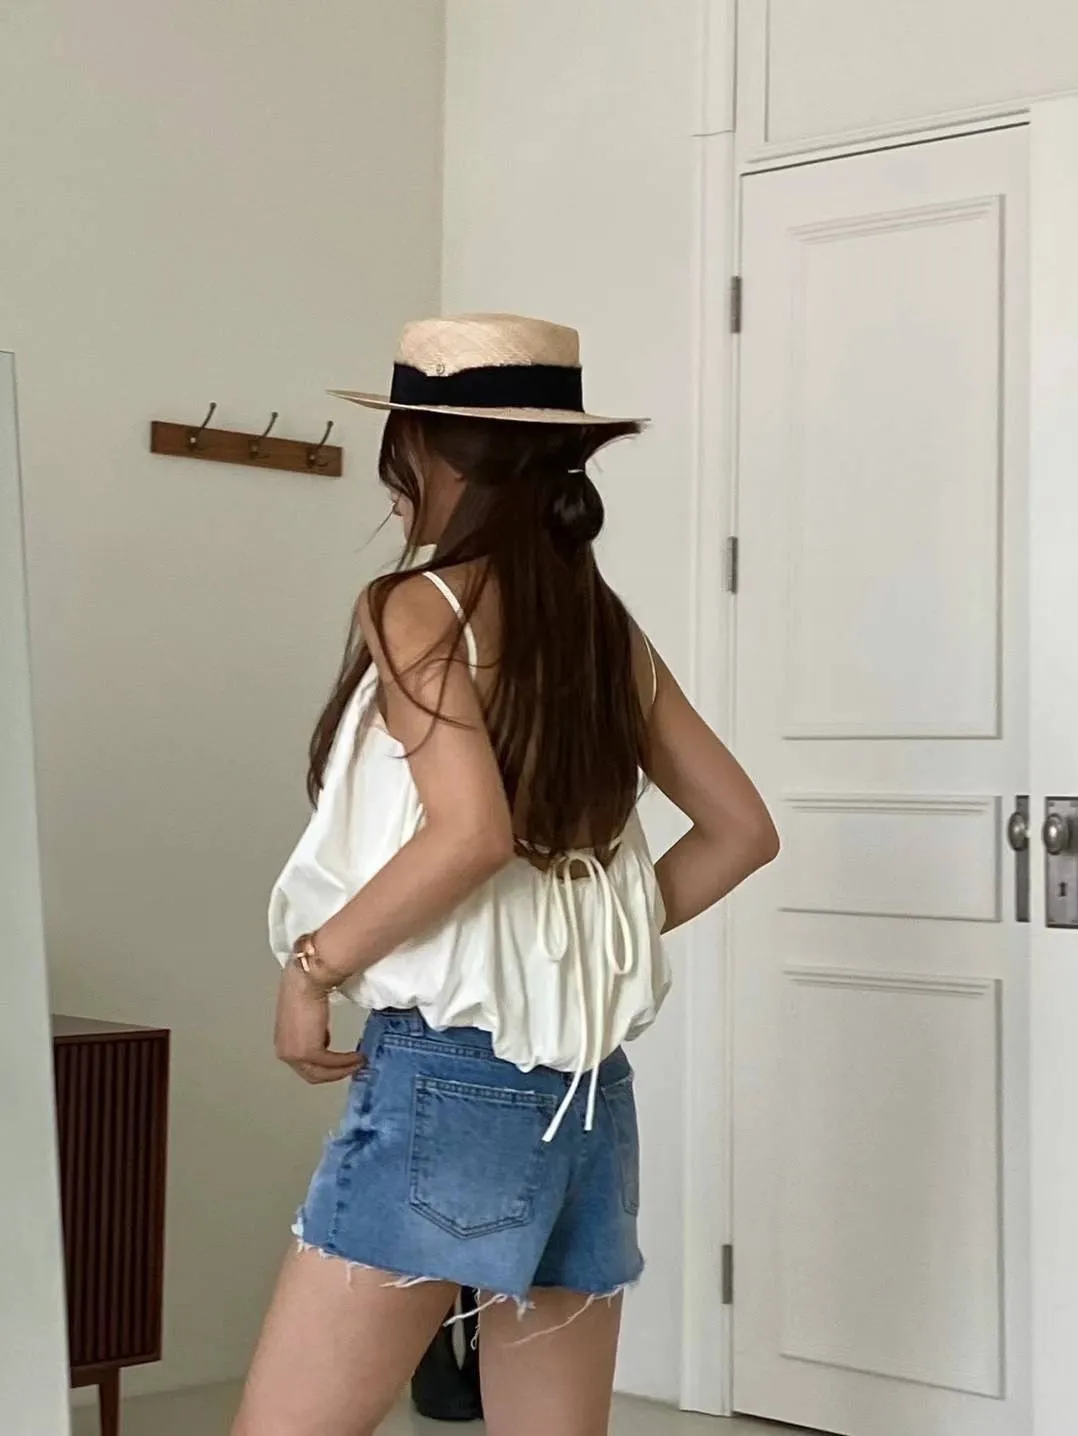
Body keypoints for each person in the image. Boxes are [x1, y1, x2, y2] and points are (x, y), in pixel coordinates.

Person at [233, 314, 778, 1436]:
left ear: (423, 447)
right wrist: (575, 952)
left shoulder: (418, 603)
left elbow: (469, 833)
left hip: (446, 1081)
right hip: (588, 1093)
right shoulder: (600, 627)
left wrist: (311, 969)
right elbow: (739, 830)